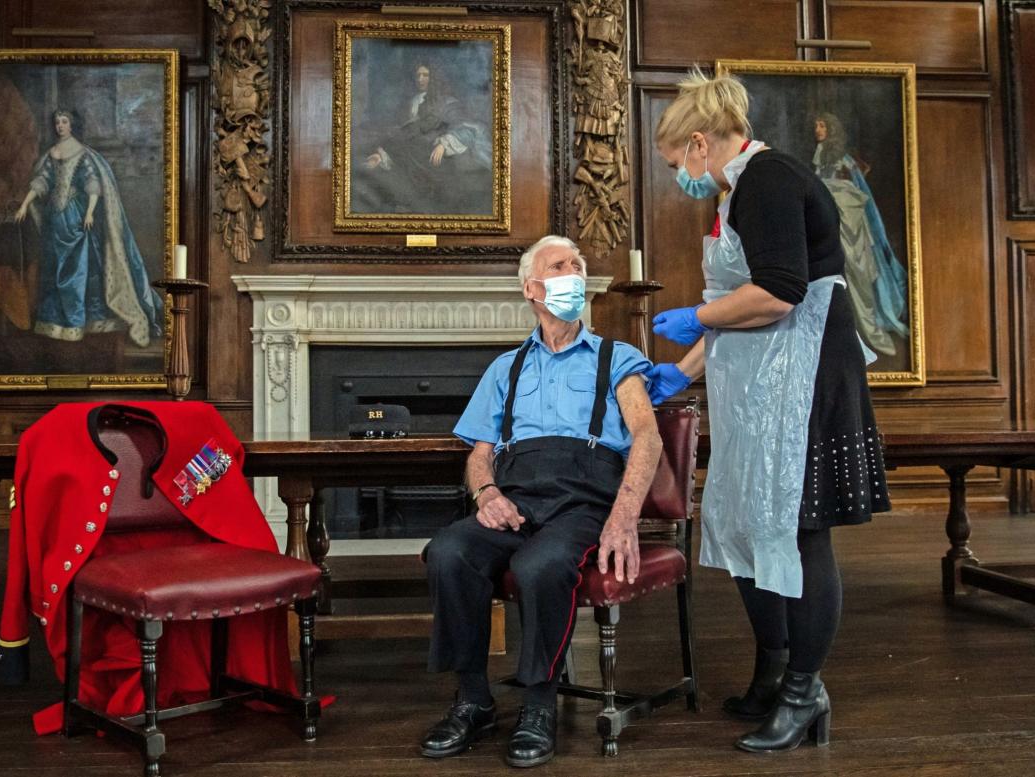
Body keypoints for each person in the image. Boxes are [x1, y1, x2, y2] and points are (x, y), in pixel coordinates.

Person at [646, 71, 891, 752]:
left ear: (699, 144)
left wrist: (692, 316)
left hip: (806, 377)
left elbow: (779, 292)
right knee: (753, 520)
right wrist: (683, 371)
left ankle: (804, 688)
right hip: (761, 380)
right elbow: (739, 311)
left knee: (799, 526)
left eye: (676, 166)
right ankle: (773, 669)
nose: (680, 179)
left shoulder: (767, 179)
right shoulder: (735, 193)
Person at [420, 235, 661, 768]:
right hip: (516, 495)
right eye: (560, 265)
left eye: (577, 263)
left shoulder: (616, 359)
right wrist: (485, 494)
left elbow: (647, 436)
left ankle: (538, 703)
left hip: (584, 499)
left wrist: (624, 516)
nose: (574, 271)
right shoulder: (505, 368)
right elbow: (480, 454)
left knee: (542, 564)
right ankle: (473, 699)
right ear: (532, 288)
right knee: (448, 551)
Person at [14, 109, 163, 348]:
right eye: (57, 122)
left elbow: (92, 183)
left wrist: (90, 212)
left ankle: (81, 322)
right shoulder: (51, 154)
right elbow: (42, 181)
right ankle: (56, 323)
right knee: (53, 270)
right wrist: (24, 205)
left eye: (64, 122)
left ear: (72, 125)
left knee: (80, 270)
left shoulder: (82, 153)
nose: (60, 126)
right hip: (55, 221)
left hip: (76, 218)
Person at [812, 112, 909, 357]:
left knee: (859, 271)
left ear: (831, 130)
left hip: (850, 221)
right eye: (816, 125)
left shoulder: (844, 160)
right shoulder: (820, 155)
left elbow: (857, 188)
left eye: (822, 125)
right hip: (832, 220)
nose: (818, 130)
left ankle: (870, 329)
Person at [354, 62, 493, 215]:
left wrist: (444, 144)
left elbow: (465, 126)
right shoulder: (412, 103)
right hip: (411, 160)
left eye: (425, 75)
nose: (420, 79)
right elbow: (403, 135)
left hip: (436, 161)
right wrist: (381, 156)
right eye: (418, 75)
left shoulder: (447, 103)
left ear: (433, 78)